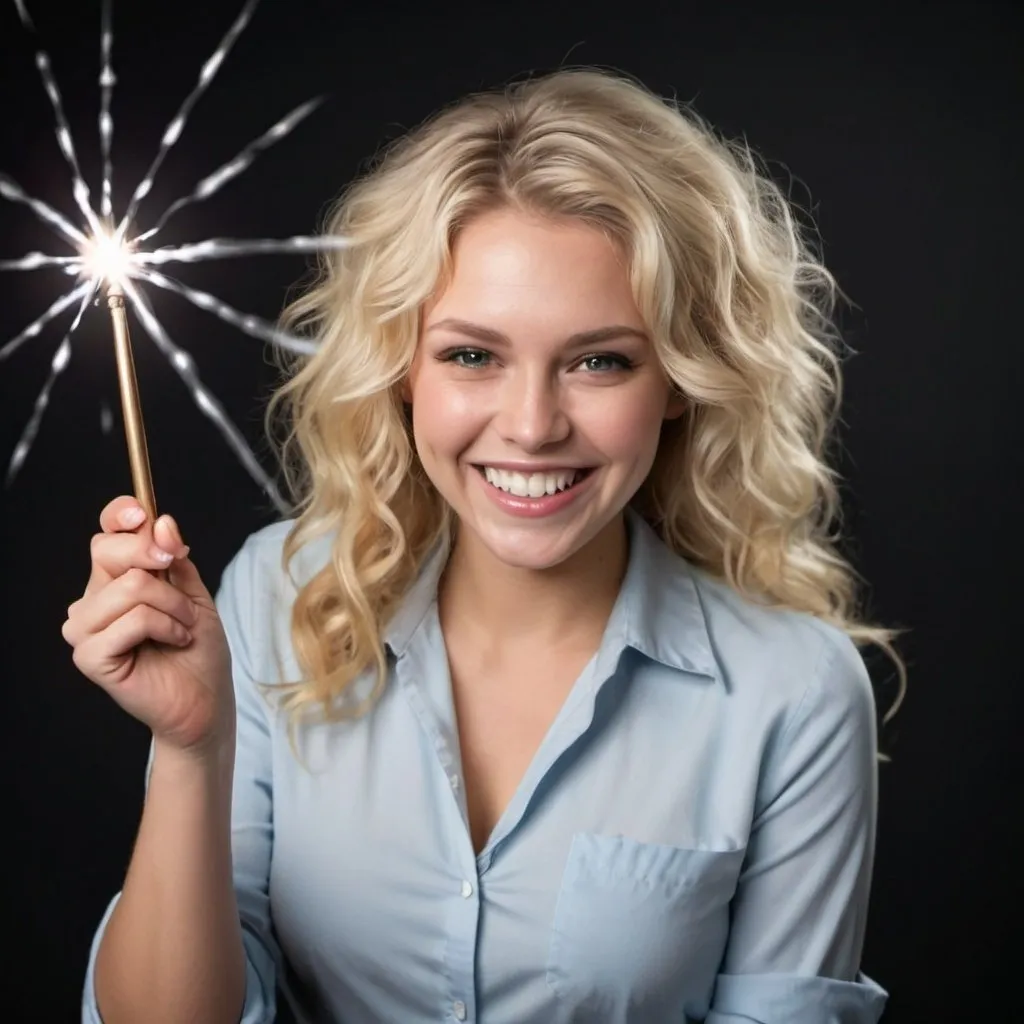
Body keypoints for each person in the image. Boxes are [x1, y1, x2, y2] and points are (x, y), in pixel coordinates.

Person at [68, 68, 905, 1024]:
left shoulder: (793, 694)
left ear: (679, 375)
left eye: (600, 361)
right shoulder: (273, 595)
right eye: (473, 355)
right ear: (403, 367)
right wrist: (191, 749)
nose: (533, 424)